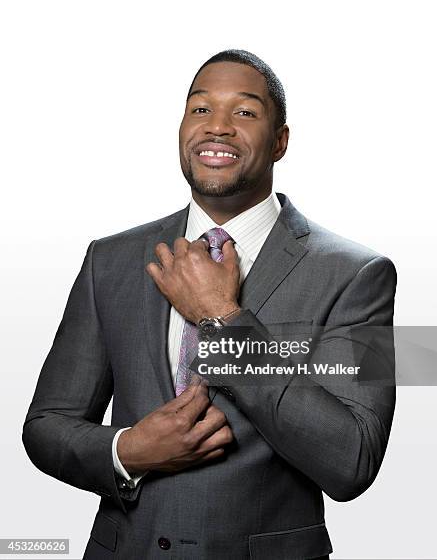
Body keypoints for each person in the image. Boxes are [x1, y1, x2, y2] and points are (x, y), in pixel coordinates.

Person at [23, 49, 397, 560]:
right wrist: (128, 451)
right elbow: (45, 425)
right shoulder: (107, 260)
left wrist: (224, 318)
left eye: (244, 112)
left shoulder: (362, 274)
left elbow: (353, 459)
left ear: (281, 141)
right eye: (200, 109)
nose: (217, 127)